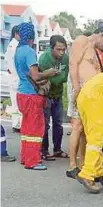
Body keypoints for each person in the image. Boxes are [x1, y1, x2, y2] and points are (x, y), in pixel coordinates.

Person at [67, 20, 103, 178]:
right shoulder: (82, 40)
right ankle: (72, 165)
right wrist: (76, 88)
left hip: (90, 92)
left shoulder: (94, 50)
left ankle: (84, 163)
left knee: (86, 129)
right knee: (77, 127)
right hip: (79, 88)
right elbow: (73, 64)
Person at [14, 22, 58, 170]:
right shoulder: (29, 51)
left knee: (26, 128)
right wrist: (49, 73)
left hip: (22, 93)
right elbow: (35, 76)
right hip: (32, 95)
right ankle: (32, 161)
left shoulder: (18, 50)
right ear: (32, 36)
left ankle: (25, 157)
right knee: (35, 128)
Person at [39, 35, 69, 161]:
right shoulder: (44, 59)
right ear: (51, 48)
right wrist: (55, 77)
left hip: (58, 95)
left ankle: (57, 149)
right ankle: (44, 151)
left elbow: (64, 76)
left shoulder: (66, 58)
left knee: (58, 124)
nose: (61, 52)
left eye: (63, 49)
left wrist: (54, 77)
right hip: (46, 96)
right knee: (45, 125)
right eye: (58, 49)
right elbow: (44, 78)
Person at [4, 25, 22, 133]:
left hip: (13, 77)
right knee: (17, 103)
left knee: (15, 102)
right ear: (16, 33)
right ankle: (17, 124)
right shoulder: (15, 46)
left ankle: (16, 124)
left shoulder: (11, 45)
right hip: (16, 77)